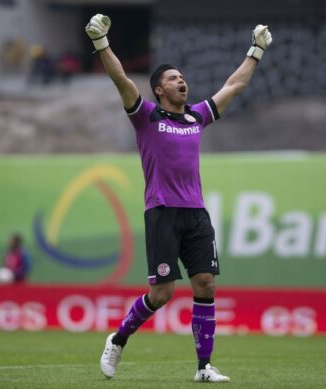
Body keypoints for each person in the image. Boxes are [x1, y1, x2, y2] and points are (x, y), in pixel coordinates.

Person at [85, 13, 272, 383]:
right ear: (159, 89)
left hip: (196, 214)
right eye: (173, 78)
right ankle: (118, 339)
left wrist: (256, 50)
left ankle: (204, 367)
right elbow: (120, 78)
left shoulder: (196, 117)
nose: (181, 80)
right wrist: (101, 43)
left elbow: (233, 87)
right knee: (162, 293)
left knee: (206, 284)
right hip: (162, 213)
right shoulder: (146, 117)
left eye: (182, 77)